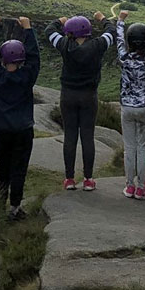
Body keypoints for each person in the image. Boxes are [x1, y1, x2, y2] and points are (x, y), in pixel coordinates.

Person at [0, 13, 40, 220]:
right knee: (19, 169)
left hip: (2, 129)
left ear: (2, 59)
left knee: (2, 166)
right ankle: (15, 208)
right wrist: (28, 28)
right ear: (21, 59)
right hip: (23, 129)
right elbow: (35, 57)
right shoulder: (28, 76)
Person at [47, 13, 114, 190]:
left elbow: (49, 31)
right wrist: (102, 18)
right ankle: (88, 179)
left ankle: (69, 179)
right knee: (87, 137)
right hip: (89, 96)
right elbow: (111, 31)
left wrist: (59, 21)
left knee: (70, 136)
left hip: (68, 96)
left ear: (69, 32)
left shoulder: (64, 45)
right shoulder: (98, 45)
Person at [115, 9, 145, 201]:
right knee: (143, 148)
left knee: (129, 148)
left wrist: (120, 21)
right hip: (144, 108)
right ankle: (142, 188)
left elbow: (118, 40)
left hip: (126, 107)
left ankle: (129, 186)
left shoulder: (124, 58)